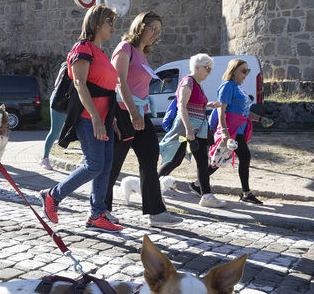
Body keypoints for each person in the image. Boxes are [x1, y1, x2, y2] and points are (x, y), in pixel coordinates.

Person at [38, 5, 123, 233]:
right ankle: (52, 196)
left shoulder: (102, 53)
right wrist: (95, 117)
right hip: (88, 117)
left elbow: (106, 89)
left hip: (105, 119)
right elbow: (79, 83)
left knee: (104, 167)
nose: (113, 27)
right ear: (96, 23)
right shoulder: (83, 48)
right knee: (94, 165)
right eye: (109, 21)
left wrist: (110, 120)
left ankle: (97, 215)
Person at [103, 11, 181, 226]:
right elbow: (119, 82)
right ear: (140, 26)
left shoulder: (142, 54)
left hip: (142, 113)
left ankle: (156, 212)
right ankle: (101, 209)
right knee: (114, 162)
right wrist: (133, 112)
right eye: (152, 28)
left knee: (149, 158)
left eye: (159, 31)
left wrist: (140, 112)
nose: (156, 34)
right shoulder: (125, 48)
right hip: (124, 113)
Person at [157, 54, 221, 207]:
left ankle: (206, 196)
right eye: (207, 68)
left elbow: (193, 105)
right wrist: (189, 130)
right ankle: (150, 186)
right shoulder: (188, 81)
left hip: (197, 129)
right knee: (175, 160)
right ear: (197, 67)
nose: (209, 72)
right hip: (187, 130)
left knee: (200, 161)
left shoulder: (196, 84)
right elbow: (181, 106)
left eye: (210, 69)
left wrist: (207, 105)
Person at [213, 58, 273, 205]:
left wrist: (260, 119)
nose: (246, 73)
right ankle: (246, 193)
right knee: (243, 156)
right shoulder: (227, 86)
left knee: (221, 158)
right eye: (243, 70)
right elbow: (221, 110)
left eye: (248, 70)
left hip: (240, 126)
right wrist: (225, 132)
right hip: (231, 127)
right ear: (233, 71)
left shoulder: (238, 87)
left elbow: (245, 112)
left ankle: (197, 184)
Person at [40, 60, 68, 170]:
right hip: (59, 101)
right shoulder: (66, 66)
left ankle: (86, 156)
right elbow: (56, 83)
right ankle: (44, 158)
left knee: (80, 127)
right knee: (55, 131)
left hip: (71, 101)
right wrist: (65, 71)